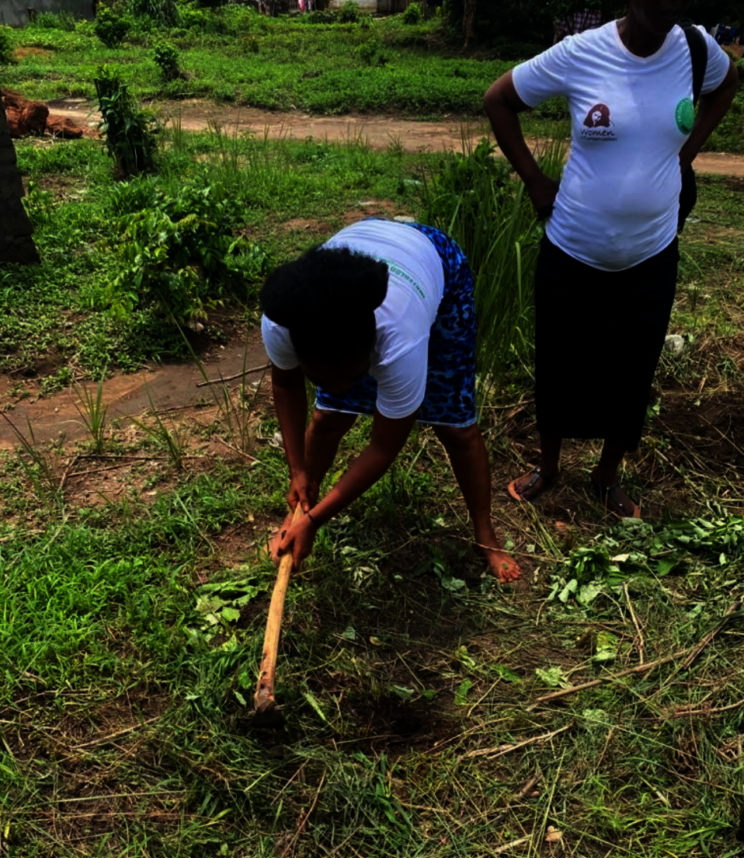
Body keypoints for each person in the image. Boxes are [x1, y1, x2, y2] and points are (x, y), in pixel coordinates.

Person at [484, 0, 738, 518]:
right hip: (574, 246)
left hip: (652, 250)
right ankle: (549, 467)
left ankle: (606, 476)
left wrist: (686, 151)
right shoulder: (582, 52)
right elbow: (498, 100)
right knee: (560, 361)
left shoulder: (693, 48)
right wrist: (535, 181)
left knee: (633, 365)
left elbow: (728, 84)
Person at [259, 219, 521, 582]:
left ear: (373, 344)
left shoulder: (400, 341)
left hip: (434, 266)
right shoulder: (283, 323)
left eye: (352, 376)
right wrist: (297, 470)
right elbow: (287, 385)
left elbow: (383, 448)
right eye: (321, 378)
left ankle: (485, 535)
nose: (340, 388)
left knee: (455, 427)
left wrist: (320, 520)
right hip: (358, 263)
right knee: (328, 419)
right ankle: (298, 513)